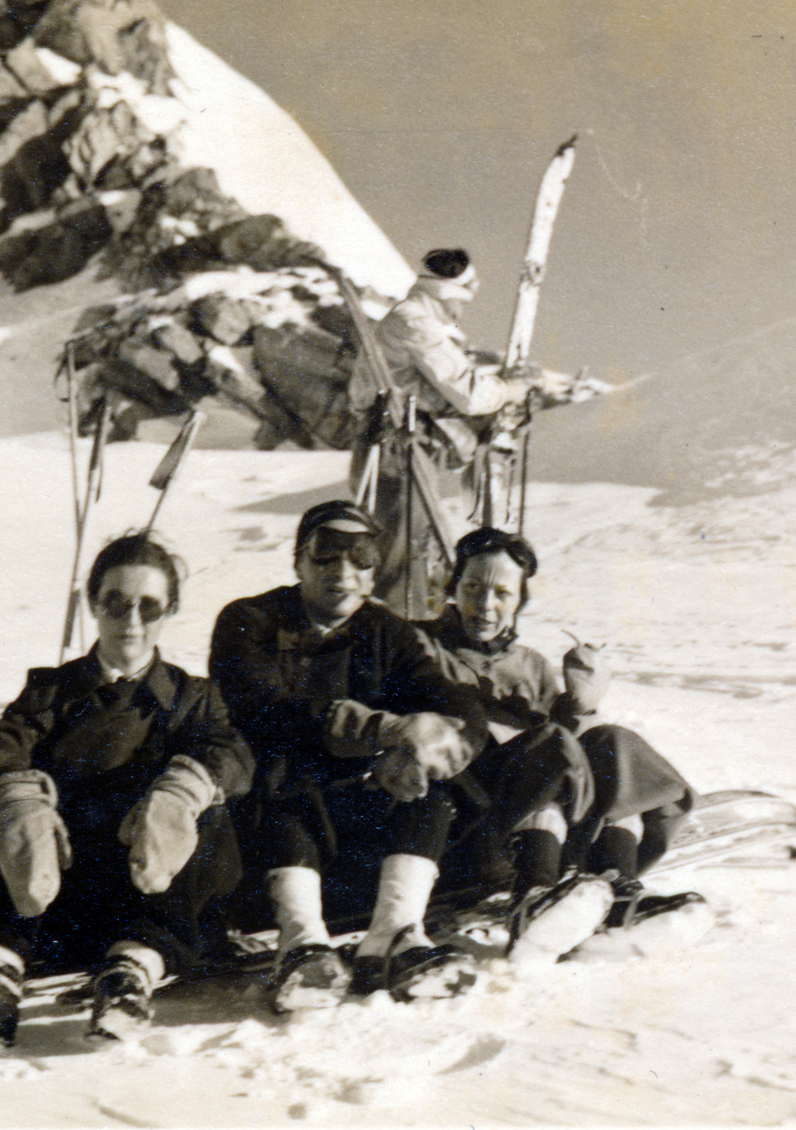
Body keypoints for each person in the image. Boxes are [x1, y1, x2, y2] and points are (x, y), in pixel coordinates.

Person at [0, 533, 254, 1046]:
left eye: (148, 605)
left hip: (143, 894)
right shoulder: (53, 690)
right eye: (115, 602)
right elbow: (0, 740)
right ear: (93, 604)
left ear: (171, 609)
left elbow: (230, 753)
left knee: (207, 812)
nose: (130, 620)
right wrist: (16, 795)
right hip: (50, 894)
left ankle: (130, 976)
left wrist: (184, 790)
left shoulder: (194, 699)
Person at [208, 500, 494, 1010]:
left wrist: (427, 749)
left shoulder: (386, 632)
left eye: (360, 557)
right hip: (274, 841)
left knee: (429, 787)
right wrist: (386, 730)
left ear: (374, 571)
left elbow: (453, 700)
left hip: (365, 843)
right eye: (325, 556)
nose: (342, 572)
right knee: (281, 771)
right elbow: (265, 710)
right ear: (298, 563)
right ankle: (300, 946)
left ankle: (394, 938)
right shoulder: (249, 620)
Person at [416, 527, 703, 960]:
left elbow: (575, 746)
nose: (485, 605)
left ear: (519, 601)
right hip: (465, 817)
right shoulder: (421, 646)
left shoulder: (530, 664)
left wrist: (580, 705)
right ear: (453, 585)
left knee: (610, 742)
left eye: (502, 593)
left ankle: (618, 889)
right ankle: (532, 898)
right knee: (550, 748)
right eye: (472, 586)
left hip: (535, 816)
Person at [348, 249, 534, 615]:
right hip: (398, 445)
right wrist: (509, 390)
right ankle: (403, 636)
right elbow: (467, 393)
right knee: (403, 550)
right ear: (447, 296)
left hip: (392, 443)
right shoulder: (415, 322)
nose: (460, 312)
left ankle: (410, 622)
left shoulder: (405, 320)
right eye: (459, 303)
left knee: (408, 546)